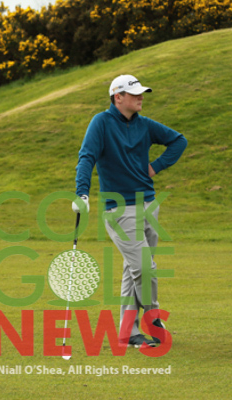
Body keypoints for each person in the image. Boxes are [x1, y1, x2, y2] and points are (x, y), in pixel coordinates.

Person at [72, 74, 188, 347]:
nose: (141, 97)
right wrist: (82, 192)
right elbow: (87, 156)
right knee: (144, 268)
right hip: (119, 209)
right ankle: (153, 316)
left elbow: (179, 141)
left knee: (133, 271)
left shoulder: (144, 125)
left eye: (141, 93)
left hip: (148, 205)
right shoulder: (101, 123)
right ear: (118, 97)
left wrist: (155, 167)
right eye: (134, 94)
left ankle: (127, 333)